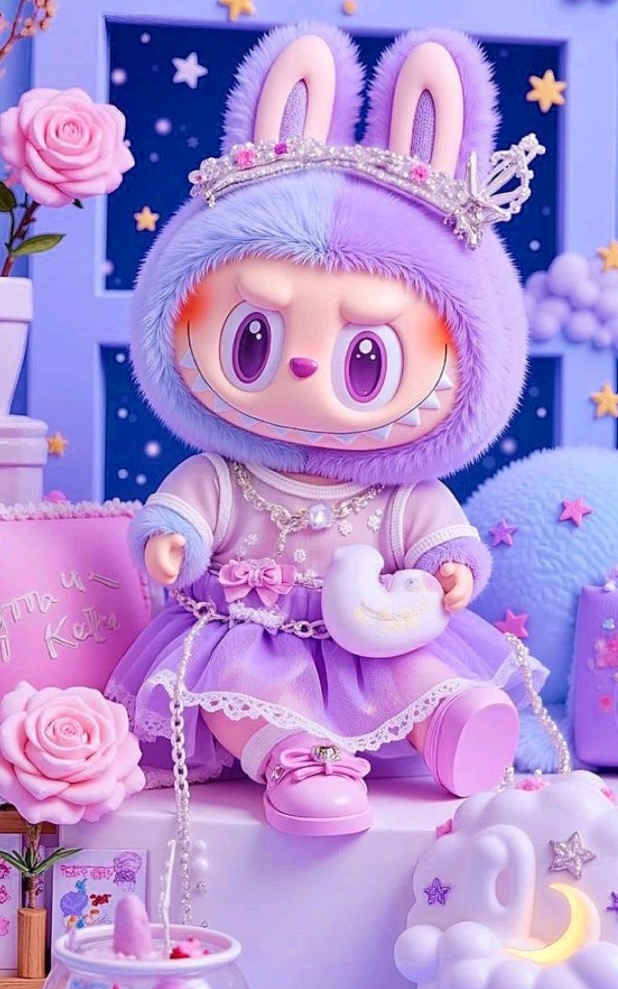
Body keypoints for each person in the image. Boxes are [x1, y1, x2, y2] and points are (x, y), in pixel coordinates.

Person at [106, 23, 547, 835]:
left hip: (375, 644)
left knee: (417, 672)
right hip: (248, 638)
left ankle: (450, 724)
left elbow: (436, 533)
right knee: (240, 694)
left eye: (367, 356)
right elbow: (185, 512)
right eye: (254, 337)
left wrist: (450, 567)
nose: (305, 367)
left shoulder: (398, 492)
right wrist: (172, 540)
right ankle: (294, 757)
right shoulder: (227, 477)